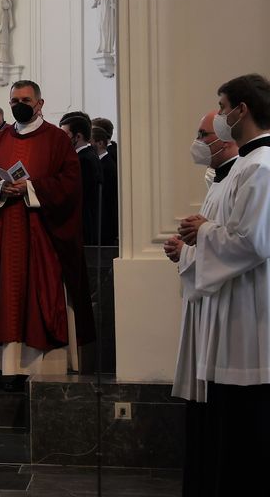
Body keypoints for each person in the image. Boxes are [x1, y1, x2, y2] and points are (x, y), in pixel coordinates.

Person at [0, 80, 94, 389]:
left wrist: (32, 187)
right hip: (6, 235)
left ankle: (46, 367)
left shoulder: (56, 140)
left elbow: (71, 184)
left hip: (44, 237)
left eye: (25, 99)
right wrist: (0, 188)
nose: (18, 105)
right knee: (9, 296)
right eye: (14, 100)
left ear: (39, 103)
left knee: (41, 297)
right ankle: (10, 367)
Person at [179, 73, 270, 494]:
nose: (220, 116)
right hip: (232, 303)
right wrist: (202, 235)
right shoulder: (243, 167)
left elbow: (254, 242)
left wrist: (205, 232)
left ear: (242, 109)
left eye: (223, 106)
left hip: (250, 310)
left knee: (247, 424)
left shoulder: (262, 167)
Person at [163, 109, 239, 496]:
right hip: (206, 301)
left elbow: (243, 245)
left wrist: (195, 242)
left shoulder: (251, 172)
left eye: (202, 132)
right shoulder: (219, 180)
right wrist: (186, 249)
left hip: (231, 310)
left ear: (225, 137)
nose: (196, 140)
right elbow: (212, 240)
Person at [60, 113, 103, 245]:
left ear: (78, 136)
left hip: (83, 222)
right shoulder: (87, 155)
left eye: (65, 135)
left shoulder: (84, 160)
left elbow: (81, 195)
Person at [90, 127, 119, 246]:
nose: (89, 145)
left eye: (90, 141)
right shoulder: (100, 162)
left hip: (106, 219)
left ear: (100, 143)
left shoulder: (107, 165)